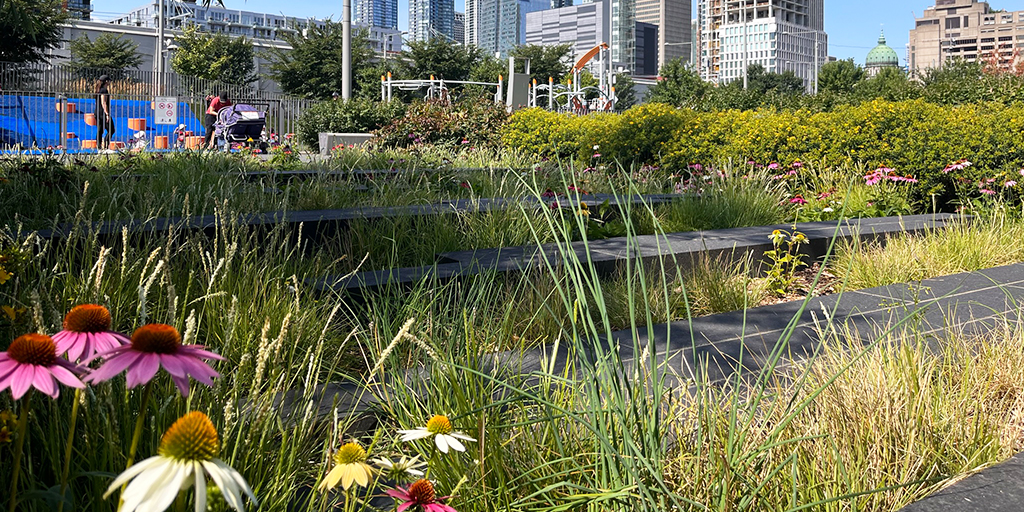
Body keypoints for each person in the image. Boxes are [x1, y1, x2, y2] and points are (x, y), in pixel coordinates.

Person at [95, 75, 114, 151]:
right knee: (111, 129)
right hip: (102, 113)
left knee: (100, 130)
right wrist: (107, 114)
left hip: (97, 112)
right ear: (106, 81)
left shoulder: (98, 90)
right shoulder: (104, 91)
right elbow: (103, 102)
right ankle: (106, 144)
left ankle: (99, 146)